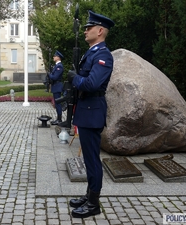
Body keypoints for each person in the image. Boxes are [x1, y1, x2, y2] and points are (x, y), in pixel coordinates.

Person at [67, 11, 115, 218]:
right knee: (88, 158)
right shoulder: (92, 52)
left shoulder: (103, 55)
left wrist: (74, 79)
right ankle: (89, 195)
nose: (86, 30)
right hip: (87, 110)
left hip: (92, 111)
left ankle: (93, 204)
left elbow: (92, 83)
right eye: (85, 27)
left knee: (93, 160)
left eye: (89, 27)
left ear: (100, 30)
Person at [49, 50, 64, 125]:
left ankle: (59, 119)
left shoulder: (59, 66)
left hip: (57, 86)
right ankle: (58, 118)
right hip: (55, 86)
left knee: (58, 103)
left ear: (58, 57)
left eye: (55, 56)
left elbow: (55, 77)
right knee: (56, 103)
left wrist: (49, 75)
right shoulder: (56, 66)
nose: (53, 57)